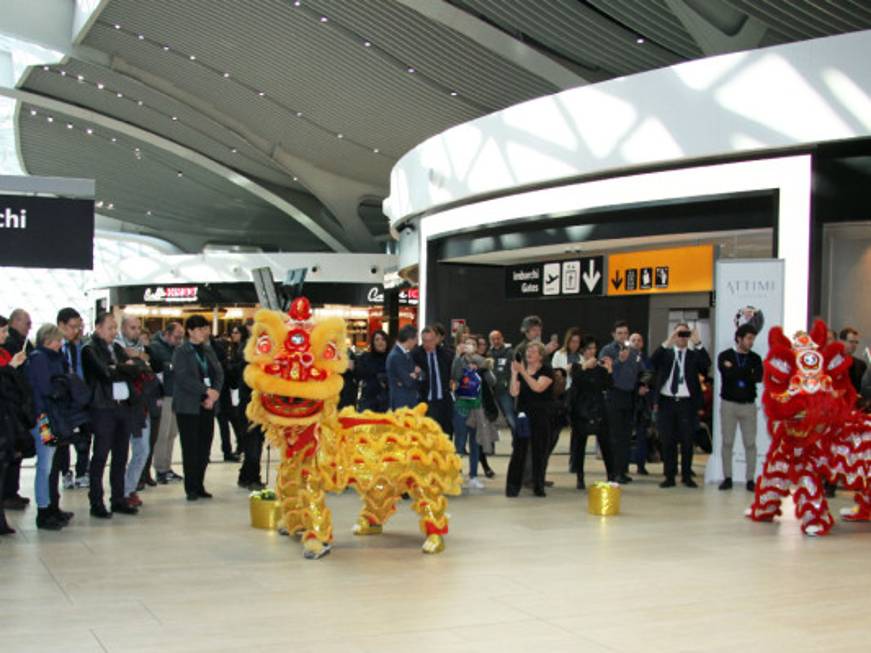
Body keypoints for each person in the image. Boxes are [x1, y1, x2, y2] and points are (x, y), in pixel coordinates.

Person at [82, 313, 141, 518]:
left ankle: (118, 499)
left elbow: (137, 370)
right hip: (103, 408)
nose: (114, 331)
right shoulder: (89, 349)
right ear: (98, 328)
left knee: (121, 455)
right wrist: (123, 368)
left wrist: (120, 368)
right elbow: (105, 374)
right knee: (100, 456)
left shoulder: (116, 348)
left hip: (122, 407)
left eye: (115, 327)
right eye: (110, 327)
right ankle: (96, 501)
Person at [651, 323, 711, 488]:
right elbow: (653, 360)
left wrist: (697, 342)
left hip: (687, 403)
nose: (682, 337)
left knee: (687, 440)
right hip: (667, 401)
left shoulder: (693, 355)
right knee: (667, 441)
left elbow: (706, 364)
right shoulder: (667, 354)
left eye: (685, 334)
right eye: (680, 334)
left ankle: (686, 475)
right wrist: (669, 340)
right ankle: (669, 476)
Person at [26, 324, 74, 529]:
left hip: (50, 416)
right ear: (48, 340)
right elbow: (46, 387)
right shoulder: (39, 359)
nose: (60, 344)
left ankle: (51, 507)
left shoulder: (49, 358)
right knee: (45, 464)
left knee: (50, 463)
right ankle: (44, 509)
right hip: (43, 418)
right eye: (57, 340)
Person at [172, 315, 223, 501]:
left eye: (206, 328)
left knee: (204, 447)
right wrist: (206, 391)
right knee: (190, 448)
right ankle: (191, 487)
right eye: (201, 329)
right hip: (188, 406)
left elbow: (219, 372)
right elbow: (183, 378)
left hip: (208, 405)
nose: (204, 332)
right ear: (191, 331)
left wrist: (215, 392)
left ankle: (200, 484)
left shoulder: (208, 350)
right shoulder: (181, 351)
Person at [115, 315, 157, 509]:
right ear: (122, 328)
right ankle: (121, 492)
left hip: (142, 406)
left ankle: (128, 488)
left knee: (143, 450)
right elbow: (126, 371)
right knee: (122, 452)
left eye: (138, 328)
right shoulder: (116, 348)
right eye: (132, 328)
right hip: (125, 407)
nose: (136, 331)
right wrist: (137, 361)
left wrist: (139, 359)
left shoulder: (142, 348)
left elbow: (150, 371)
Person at [718, 324, 763, 492]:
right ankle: (727, 477)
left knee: (750, 443)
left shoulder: (755, 358)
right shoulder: (725, 355)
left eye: (753, 339)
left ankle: (750, 479)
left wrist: (736, 369)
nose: (751, 342)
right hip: (729, 404)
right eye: (749, 338)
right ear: (739, 338)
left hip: (748, 405)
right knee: (727, 441)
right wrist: (746, 372)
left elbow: (758, 377)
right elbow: (726, 374)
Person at [598, 320, 643, 484]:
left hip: (629, 396)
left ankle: (623, 470)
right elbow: (602, 371)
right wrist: (619, 361)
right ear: (613, 334)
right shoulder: (607, 350)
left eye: (625, 333)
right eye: (620, 333)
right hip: (613, 395)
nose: (623, 336)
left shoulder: (633, 351)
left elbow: (641, 369)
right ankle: (614, 472)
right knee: (614, 436)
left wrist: (644, 382)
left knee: (626, 436)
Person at [506, 342, 554, 497]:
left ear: (540, 356)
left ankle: (538, 486)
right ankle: (512, 487)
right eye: (528, 350)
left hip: (541, 415)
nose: (529, 353)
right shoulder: (521, 370)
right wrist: (514, 373)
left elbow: (538, 387)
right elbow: (514, 392)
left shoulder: (546, 370)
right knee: (519, 451)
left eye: (533, 351)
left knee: (539, 451)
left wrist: (523, 372)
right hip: (523, 416)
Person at [0, 315, 33, 535]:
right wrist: (11, 368)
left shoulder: (5, 353)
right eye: (2, 331)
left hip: (8, 419)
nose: (5, 335)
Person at [567, 336, 614, 489]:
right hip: (582, 411)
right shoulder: (576, 368)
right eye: (588, 348)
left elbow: (607, 386)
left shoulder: (600, 370)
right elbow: (576, 384)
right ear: (582, 351)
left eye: (594, 348)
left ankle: (611, 476)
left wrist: (609, 370)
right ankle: (580, 477)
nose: (592, 351)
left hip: (599, 409)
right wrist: (584, 367)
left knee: (606, 444)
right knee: (580, 446)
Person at [55, 308, 91, 491]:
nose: (76, 330)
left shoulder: (80, 347)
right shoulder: (55, 348)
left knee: (84, 437)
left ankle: (82, 471)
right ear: (61, 325)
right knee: (62, 439)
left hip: (80, 398)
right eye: (72, 326)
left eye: (78, 326)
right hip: (62, 402)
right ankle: (64, 471)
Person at [451, 335, 492, 489]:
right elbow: (454, 376)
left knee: (475, 444)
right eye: (466, 344)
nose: (469, 347)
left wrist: (482, 368)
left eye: (472, 344)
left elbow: (492, 381)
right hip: (461, 406)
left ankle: (473, 476)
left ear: (477, 347)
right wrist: (458, 356)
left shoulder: (483, 362)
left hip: (477, 408)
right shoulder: (459, 361)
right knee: (459, 443)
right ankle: (455, 474)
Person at [148, 321, 184, 485]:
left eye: (181, 338)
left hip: (175, 394)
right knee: (162, 434)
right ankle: (160, 469)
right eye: (176, 337)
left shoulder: (176, 349)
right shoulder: (156, 347)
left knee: (172, 433)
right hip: (163, 396)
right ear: (167, 334)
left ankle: (167, 467)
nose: (179, 341)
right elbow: (161, 369)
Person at [413, 326, 453, 436]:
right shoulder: (415, 354)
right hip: (425, 400)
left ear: (436, 339)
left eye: (430, 340)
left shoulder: (447, 354)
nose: (427, 344)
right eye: (424, 340)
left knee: (445, 433)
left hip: (443, 400)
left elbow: (453, 373)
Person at [212, 334, 241, 462]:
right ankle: (233, 449)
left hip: (219, 397)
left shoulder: (214, 363)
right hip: (225, 398)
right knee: (233, 424)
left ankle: (228, 450)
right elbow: (232, 382)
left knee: (223, 426)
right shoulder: (225, 364)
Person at [628, 332, 653, 475]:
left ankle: (641, 464)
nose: (636, 342)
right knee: (626, 435)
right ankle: (623, 466)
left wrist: (644, 386)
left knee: (642, 435)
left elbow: (651, 374)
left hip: (642, 404)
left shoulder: (647, 359)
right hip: (629, 400)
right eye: (633, 340)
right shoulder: (625, 358)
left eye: (639, 340)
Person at [487, 330, 516, 437]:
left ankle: (518, 443)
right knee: (490, 419)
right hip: (491, 392)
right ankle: (490, 446)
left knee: (510, 417)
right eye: (493, 339)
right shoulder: (488, 354)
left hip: (505, 391)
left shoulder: (510, 352)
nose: (496, 341)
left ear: (502, 338)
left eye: (498, 338)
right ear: (490, 341)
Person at [386, 325, 421, 410]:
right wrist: (416, 374)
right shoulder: (396, 356)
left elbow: (413, 377)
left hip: (407, 403)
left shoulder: (405, 353)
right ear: (409, 340)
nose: (416, 342)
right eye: (416, 339)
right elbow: (408, 381)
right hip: (401, 404)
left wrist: (414, 375)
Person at [355, 330, 390, 412]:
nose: (380, 342)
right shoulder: (365, 357)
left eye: (383, 339)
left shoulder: (392, 358)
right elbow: (359, 374)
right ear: (373, 342)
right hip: (368, 401)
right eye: (377, 339)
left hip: (386, 402)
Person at [839, 327, 867, 396]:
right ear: (841, 342)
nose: (854, 345)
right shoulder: (832, 362)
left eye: (856, 342)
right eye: (851, 342)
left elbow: (863, 388)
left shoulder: (861, 364)